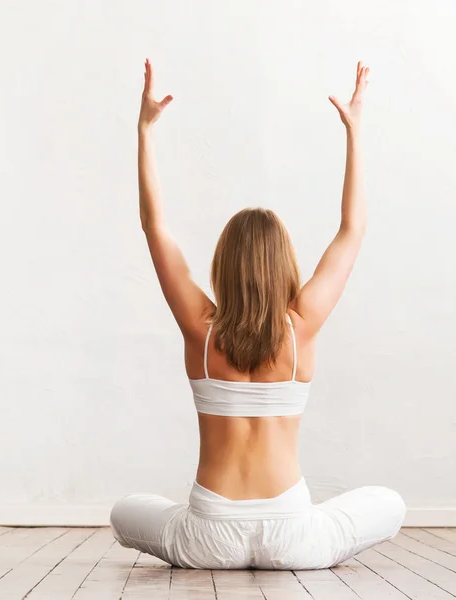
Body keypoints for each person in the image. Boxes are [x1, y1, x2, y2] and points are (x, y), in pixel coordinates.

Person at [109, 59, 406, 570]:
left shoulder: (199, 329)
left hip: (208, 537)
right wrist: (355, 132)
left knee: (123, 513)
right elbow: (352, 230)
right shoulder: (301, 326)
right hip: (294, 536)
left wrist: (144, 129)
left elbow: (153, 225)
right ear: (283, 265)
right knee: (390, 502)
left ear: (223, 264)